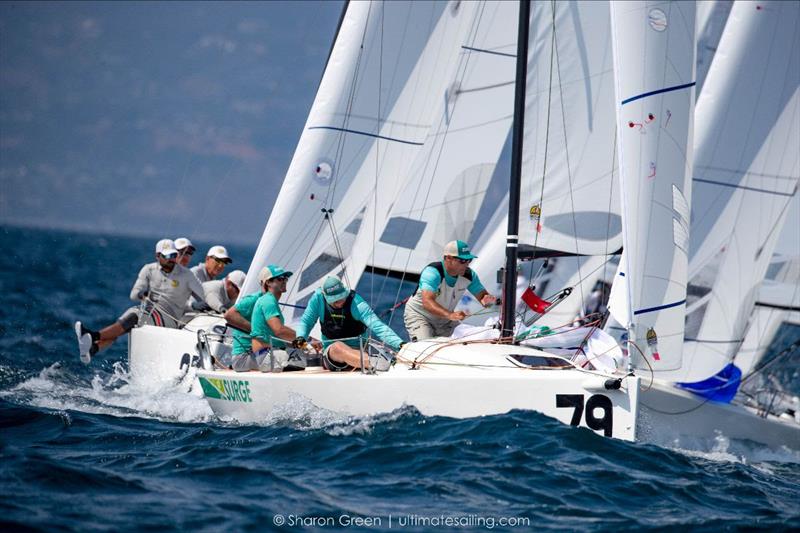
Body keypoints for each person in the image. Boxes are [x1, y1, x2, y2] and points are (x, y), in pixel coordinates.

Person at [74, 239, 210, 364]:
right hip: (149, 312)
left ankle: (92, 336)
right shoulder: (148, 269)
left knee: (133, 317)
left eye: (174, 255)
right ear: (158, 256)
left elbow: (203, 297)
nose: (172, 259)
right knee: (127, 322)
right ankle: (94, 348)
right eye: (167, 256)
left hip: (170, 319)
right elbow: (133, 294)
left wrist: (197, 305)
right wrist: (143, 294)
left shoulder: (187, 275)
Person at [294, 276, 404, 372]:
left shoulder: (357, 303)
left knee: (358, 351)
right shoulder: (318, 299)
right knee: (338, 347)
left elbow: (377, 326)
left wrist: (401, 344)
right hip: (333, 354)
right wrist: (300, 337)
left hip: (358, 352)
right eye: (335, 301)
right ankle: (383, 364)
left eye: (342, 298)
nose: (340, 303)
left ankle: (390, 363)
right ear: (325, 296)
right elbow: (306, 322)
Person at [403, 240, 497, 341]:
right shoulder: (432, 272)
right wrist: (450, 315)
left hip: (445, 320)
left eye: (469, 260)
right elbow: (427, 302)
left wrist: (488, 302)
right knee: (425, 347)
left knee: (476, 341)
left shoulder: (469, 275)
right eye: (462, 261)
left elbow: (483, 297)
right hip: (420, 316)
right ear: (448, 258)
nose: (466, 264)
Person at [231, 265, 303, 372]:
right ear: (268, 283)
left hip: (263, 354)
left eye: (285, 278)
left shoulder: (269, 300)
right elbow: (279, 331)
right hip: (258, 356)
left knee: (303, 357)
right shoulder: (267, 300)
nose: (284, 281)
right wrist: (306, 340)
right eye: (280, 279)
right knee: (302, 361)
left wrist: (302, 345)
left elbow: (279, 335)